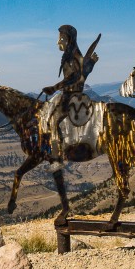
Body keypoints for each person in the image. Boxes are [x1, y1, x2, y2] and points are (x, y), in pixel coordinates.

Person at [41, 25, 99, 166]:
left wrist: (54, 87)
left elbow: (74, 76)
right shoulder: (73, 54)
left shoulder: (73, 55)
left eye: (61, 38)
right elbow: (82, 73)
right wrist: (90, 63)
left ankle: (57, 156)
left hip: (70, 95)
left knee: (53, 121)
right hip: (69, 93)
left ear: (68, 39)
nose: (58, 42)